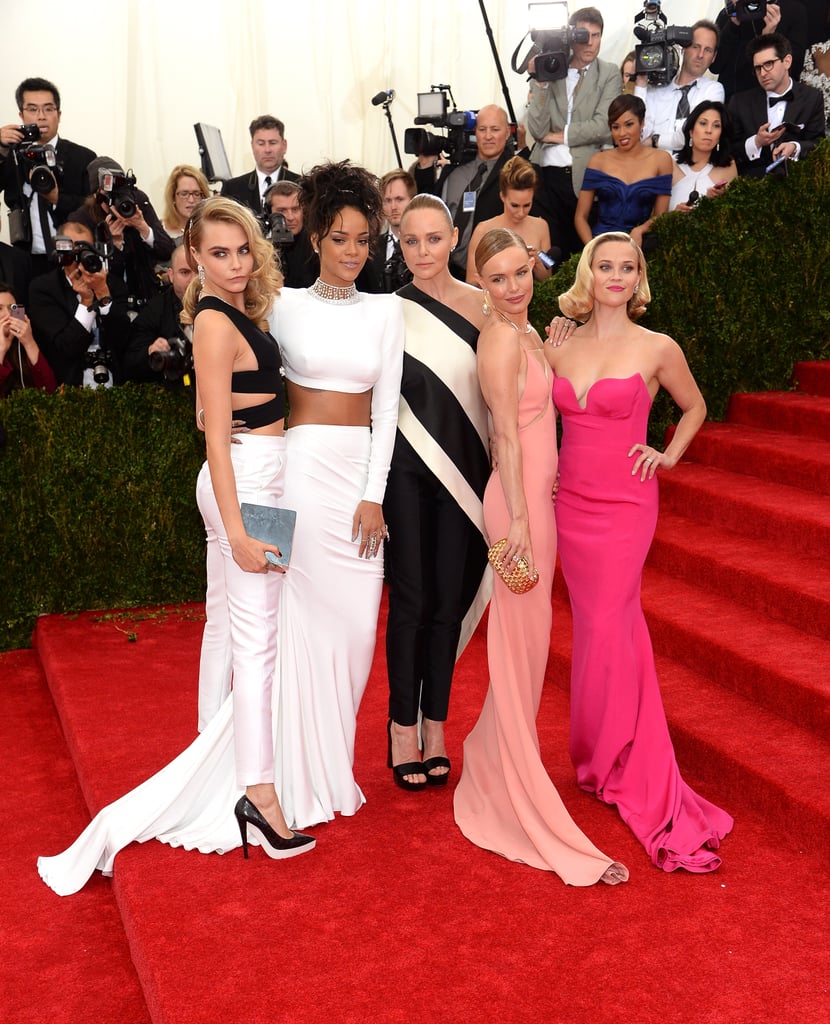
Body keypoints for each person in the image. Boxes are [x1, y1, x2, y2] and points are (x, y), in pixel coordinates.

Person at [37, 196, 315, 897]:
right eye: (215, 254)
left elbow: (206, 409)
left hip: (254, 480)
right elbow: (213, 436)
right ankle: (259, 796)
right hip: (248, 484)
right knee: (257, 645)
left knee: (229, 630)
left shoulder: (230, 316)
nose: (231, 263)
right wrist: (242, 530)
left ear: (255, 253)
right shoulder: (220, 323)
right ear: (195, 259)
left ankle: (219, 765)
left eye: (240, 250)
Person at [547, 231, 734, 872]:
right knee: (603, 629)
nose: (617, 276)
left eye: (628, 267)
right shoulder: (562, 342)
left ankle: (617, 760)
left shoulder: (658, 347)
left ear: (639, 277)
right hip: (570, 504)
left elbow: (695, 406)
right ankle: (599, 752)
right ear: (588, 272)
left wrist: (667, 454)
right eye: (606, 266)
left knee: (605, 621)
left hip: (626, 507)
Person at [452, 227, 628, 886]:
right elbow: (503, 431)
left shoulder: (525, 334)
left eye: (519, 273)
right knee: (520, 650)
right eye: (496, 279)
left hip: (538, 505)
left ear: (533, 267)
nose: (512, 287)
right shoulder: (498, 336)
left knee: (527, 651)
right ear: (483, 284)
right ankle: (523, 804)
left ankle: (495, 757)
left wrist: (550, 350)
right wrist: (522, 521)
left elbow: (538, 411)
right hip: (519, 508)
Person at [267, 160, 404, 827]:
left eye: (363, 240)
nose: (353, 252)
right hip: (297, 476)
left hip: (357, 485)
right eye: (340, 238)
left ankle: (333, 765)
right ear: (315, 238)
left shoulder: (387, 312)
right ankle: (295, 773)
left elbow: (388, 414)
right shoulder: (280, 305)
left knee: (354, 637)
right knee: (298, 628)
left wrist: (374, 495)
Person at [384, 194, 491, 790]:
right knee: (411, 600)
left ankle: (436, 725)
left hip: (466, 476)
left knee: (448, 600)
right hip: (402, 474)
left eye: (433, 238)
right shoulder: (386, 311)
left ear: (454, 238)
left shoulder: (485, 307)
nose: (422, 251)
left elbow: (512, 381)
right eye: (410, 241)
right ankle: (402, 726)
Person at [526, 6, 621, 261]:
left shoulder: (609, 73)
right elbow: (536, 130)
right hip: (545, 176)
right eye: (583, 35)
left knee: (582, 255)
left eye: (597, 35)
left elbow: (603, 127)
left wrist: (560, 136)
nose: (590, 42)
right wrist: (542, 81)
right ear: (571, 37)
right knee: (548, 254)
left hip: (583, 176)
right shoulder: (553, 67)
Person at [0, 77, 96, 277]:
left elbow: (94, 210)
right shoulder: (11, 155)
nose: (41, 116)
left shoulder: (82, 157)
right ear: (21, 114)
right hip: (24, 258)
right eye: (33, 109)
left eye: (48, 109)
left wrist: (57, 199)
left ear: (59, 115)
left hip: (73, 259)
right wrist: (0, 150)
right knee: (20, 309)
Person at [28, 221, 130, 386]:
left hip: (116, 382)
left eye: (85, 249)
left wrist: (103, 294)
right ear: (60, 252)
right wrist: (87, 301)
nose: (79, 257)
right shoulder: (44, 289)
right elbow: (67, 347)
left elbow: (123, 339)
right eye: (74, 250)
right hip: (69, 386)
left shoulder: (112, 284)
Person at [420, 104, 514, 278]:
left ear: (507, 133)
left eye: (495, 129)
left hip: (491, 273)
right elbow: (429, 212)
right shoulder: (455, 173)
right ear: (474, 133)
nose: (488, 136)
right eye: (482, 129)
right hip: (446, 270)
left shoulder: (515, 174)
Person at [72, 157, 174, 309]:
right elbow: (95, 276)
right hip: (109, 304)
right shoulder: (83, 218)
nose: (116, 201)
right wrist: (113, 245)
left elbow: (168, 251)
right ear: (96, 195)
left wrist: (143, 228)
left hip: (146, 296)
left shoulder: (137, 201)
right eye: (109, 195)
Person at [574, 95, 672, 248]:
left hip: (640, 247)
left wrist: (640, 230)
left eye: (629, 124)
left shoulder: (661, 159)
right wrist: (592, 249)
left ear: (642, 123)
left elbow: (660, 216)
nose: (622, 133)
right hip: (600, 245)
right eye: (616, 127)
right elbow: (580, 216)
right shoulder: (598, 161)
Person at [727, 32, 826, 177]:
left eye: (768, 64)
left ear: (787, 61)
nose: (763, 73)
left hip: (797, 184)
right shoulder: (739, 102)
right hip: (751, 186)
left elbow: (818, 143)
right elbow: (728, 150)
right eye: (758, 68)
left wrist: (795, 147)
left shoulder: (812, 97)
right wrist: (756, 142)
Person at [634, 20, 725, 153]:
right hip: (653, 169)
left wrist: (654, 140)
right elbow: (638, 134)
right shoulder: (656, 89)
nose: (700, 55)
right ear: (683, 48)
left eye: (707, 50)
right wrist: (641, 85)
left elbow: (696, 136)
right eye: (695, 47)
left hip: (690, 171)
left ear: (714, 57)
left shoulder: (714, 90)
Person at [466, 156, 553, 283]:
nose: (521, 212)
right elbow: (471, 283)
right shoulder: (483, 231)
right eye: (515, 205)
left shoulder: (541, 227)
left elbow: (548, 280)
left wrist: (538, 261)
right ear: (502, 197)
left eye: (527, 205)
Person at [121, 240, 196, 386]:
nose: (193, 280)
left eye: (199, 271)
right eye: (185, 272)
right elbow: (129, 365)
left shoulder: (224, 304)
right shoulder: (154, 310)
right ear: (171, 275)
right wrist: (150, 351)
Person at [712, 0, 809, 99]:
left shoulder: (793, 10)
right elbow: (715, 67)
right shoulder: (728, 13)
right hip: (729, 100)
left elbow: (795, 69)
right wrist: (732, 25)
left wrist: (769, 40)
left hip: (767, 102)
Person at [221, 115, 298, 215]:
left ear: (284, 145)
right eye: (261, 143)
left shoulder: (302, 185)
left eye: (273, 143)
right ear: (252, 146)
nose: (267, 150)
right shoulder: (232, 189)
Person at [670, 101, 738, 212]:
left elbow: (733, 215)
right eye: (703, 123)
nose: (709, 131)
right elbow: (654, 214)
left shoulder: (728, 166)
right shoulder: (670, 163)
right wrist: (673, 216)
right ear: (691, 131)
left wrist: (719, 201)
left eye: (716, 126)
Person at [361, 169, 416, 293]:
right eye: (388, 200)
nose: (393, 207)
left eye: (399, 199)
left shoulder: (424, 247)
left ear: (412, 201)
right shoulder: (371, 248)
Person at [0, 281, 56, 396]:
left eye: (12, 308)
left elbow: (50, 392)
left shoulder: (21, 348)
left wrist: (29, 343)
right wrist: (1, 351)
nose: (7, 314)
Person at [264, 180, 318, 288]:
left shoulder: (317, 245)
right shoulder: (261, 246)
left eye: (295, 209)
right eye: (282, 211)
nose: (290, 217)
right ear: (268, 213)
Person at [161, 164, 211, 241]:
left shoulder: (211, 228)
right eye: (184, 194)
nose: (191, 200)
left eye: (196, 194)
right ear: (173, 197)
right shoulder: (160, 230)